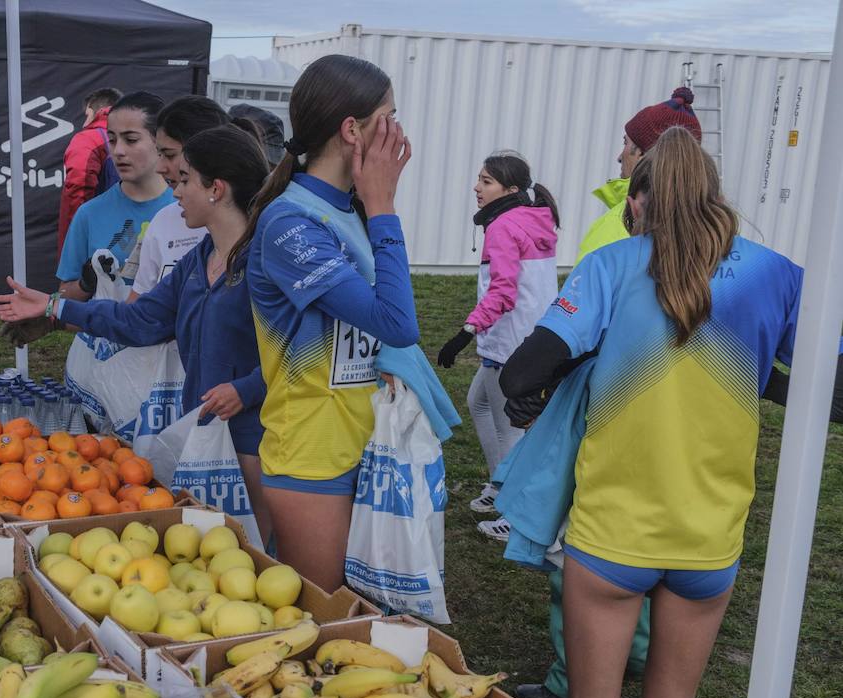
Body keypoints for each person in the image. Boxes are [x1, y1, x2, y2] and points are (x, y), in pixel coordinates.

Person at [498, 128, 841, 698]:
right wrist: (751, 366)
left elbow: (519, 376)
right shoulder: (775, 274)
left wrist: (583, 367)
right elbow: (834, 392)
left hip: (611, 542)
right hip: (709, 545)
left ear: (638, 203)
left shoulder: (612, 265)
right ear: (713, 201)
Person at [0, 125, 274, 537]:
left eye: (185, 180)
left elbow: (303, 349)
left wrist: (246, 389)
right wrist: (55, 306)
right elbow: (138, 322)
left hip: (255, 442)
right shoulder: (199, 260)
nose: (175, 191)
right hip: (202, 436)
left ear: (217, 189)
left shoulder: (265, 261)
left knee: (258, 554)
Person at [513, 88, 701, 698]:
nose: (619, 155)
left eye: (628, 144)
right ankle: (642, 656)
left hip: (608, 414)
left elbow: (568, 337)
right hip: (692, 435)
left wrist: (539, 393)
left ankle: (578, 677)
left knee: (586, 555)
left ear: (651, 156)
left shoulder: (618, 231)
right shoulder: (720, 245)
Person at [235, 54, 418, 590]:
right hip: (313, 458)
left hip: (364, 442)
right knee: (324, 617)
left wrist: (373, 205)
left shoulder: (345, 208)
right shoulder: (292, 221)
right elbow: (397, 322)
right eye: (390, 116)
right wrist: (383, 204)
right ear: (352, 129)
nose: (399, 131)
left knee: (362, 612)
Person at [435, 151, 559, 542]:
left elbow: (503, 292)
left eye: (486, 181)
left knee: (510, 430)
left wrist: (465, 333)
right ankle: (499, 485)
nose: (476, 187)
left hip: (508, 343)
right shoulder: (535, 217)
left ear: (510, 189)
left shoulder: (502, 226)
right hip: (531, 337)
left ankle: (514, 512)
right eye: (479, 179)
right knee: (480, 404)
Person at [55, 91, 172, 303]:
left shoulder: (187, 209)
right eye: (112, 140)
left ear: (160, 141)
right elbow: (64, 298)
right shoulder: (89, 214)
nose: (118, 151)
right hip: (102, 335)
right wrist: (85, 284)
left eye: (131, 140)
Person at [576, 88, 700, 266]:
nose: (620, 157)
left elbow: (582, 291)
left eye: (626, 143)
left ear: (644, 154)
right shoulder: (712, 229)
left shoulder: (615, 226)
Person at [123, 96, 228, 300]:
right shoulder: (163, 221)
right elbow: (137, 314)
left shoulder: (260, 227)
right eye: (159, 154)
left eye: (169, 155)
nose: (160, 168)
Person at [58, 86, 121, 255]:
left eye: (86, 115)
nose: (84, 123)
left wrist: (77, 240)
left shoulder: (88, 139)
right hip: (125, 239)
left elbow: (78, 188)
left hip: (90, 246)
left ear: (96, 111)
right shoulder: (139, 139)